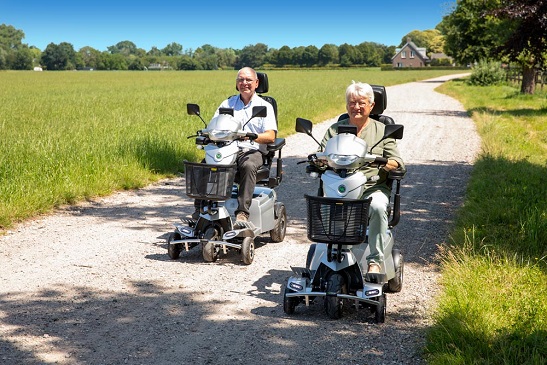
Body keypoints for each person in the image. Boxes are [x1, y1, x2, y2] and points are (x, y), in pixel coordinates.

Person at [318, 81, 405, 274]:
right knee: (326, 206)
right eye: (352, 102)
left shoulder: (383, 130)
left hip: (372, 187)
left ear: (371, 106)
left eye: (361, 103)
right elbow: (320, 154)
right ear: (347, 105)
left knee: (377, 206)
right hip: (340, 186)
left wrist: (381, 162)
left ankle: (375, 262)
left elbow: (398, 163)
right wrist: (320, 161)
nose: (356, 107)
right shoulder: (334, 130)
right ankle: (332, 256)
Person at [193, 67, 277, 222]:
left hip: (252, 150)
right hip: (227, 148)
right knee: (205, 164)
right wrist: (206, 133)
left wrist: (252, 136)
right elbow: (214, 125)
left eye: (248, 80)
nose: (244, 83)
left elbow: (271, 135)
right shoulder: (227, 103)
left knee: (248, 165)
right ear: (236, 83)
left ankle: (242, 213)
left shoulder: (265, 106)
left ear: (257, 83)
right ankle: (201, 209)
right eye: (240, 80)